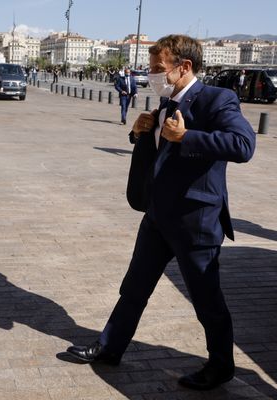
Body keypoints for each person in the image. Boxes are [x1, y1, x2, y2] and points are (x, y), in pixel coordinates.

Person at [59, 34, 255, 391]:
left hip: (196, 221)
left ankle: (222, 365)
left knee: (207, 301)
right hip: (157, 216)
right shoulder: (162, 103)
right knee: (134, 287)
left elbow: (243, 145)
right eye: (150, 69)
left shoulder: (217, 99)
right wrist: (137, 134)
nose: (151, 75)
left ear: (185, 67)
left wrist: (188, 137)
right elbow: (158, 153)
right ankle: (109, 346)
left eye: (157, 69)